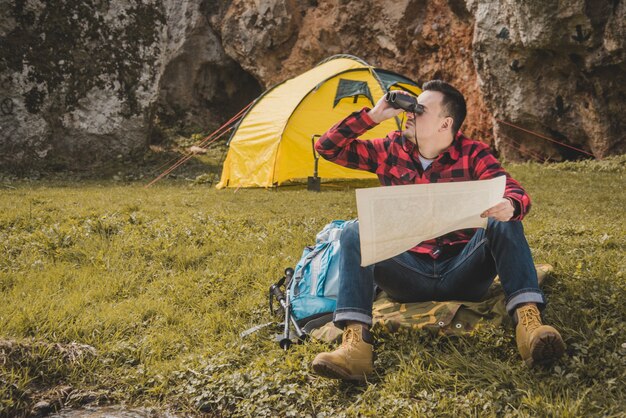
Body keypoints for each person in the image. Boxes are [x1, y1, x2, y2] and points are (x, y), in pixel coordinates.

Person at [310, 80, 565, 381]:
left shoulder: (473, 153)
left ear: (445, 123)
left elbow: (512, 189)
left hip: (462, 271)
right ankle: (355, 347)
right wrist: (373, 116)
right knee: (354, 231)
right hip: (406, 273)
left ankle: (529, 325)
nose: (410, 114)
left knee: (503, 220)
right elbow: (326, 147)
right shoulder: (392, 149)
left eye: (420, 110)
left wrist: (510, 203)